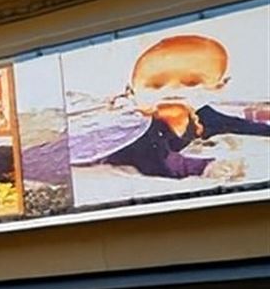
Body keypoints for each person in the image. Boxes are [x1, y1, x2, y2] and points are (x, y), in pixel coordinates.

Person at [100, 33, 270, 179]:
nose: (172, 92)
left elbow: (238, 125)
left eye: (191, 83)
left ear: (219, 86)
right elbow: (157, 162)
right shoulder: (139, 128)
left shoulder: (205, 116)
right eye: (156, 85)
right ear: (132, 91)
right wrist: (205, 166)